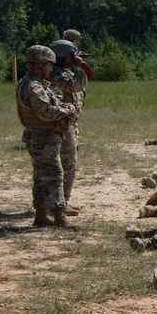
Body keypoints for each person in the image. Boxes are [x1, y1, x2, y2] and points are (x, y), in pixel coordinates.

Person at [15, 44, 77, 227]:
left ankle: (41, 216)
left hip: (44, 138)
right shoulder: (32, 86)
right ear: (39, 65)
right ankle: (59, 217)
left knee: (40, 177)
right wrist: (66, 113)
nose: (52, 68)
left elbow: (51, 105)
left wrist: (65, 107)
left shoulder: (38, 85)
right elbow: (45, 112)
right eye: (49, 65)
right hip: (42, 138)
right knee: (53, 174)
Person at [50, 34, 94, 214]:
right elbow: (74, 86)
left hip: (68, 123)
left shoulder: (62, 72)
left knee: (68, 164)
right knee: (67, 164)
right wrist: (77, 66)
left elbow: (80, 86)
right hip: (61, 125)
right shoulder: (55, 74)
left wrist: (78, 67)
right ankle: (59, 203)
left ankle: (62, 200)